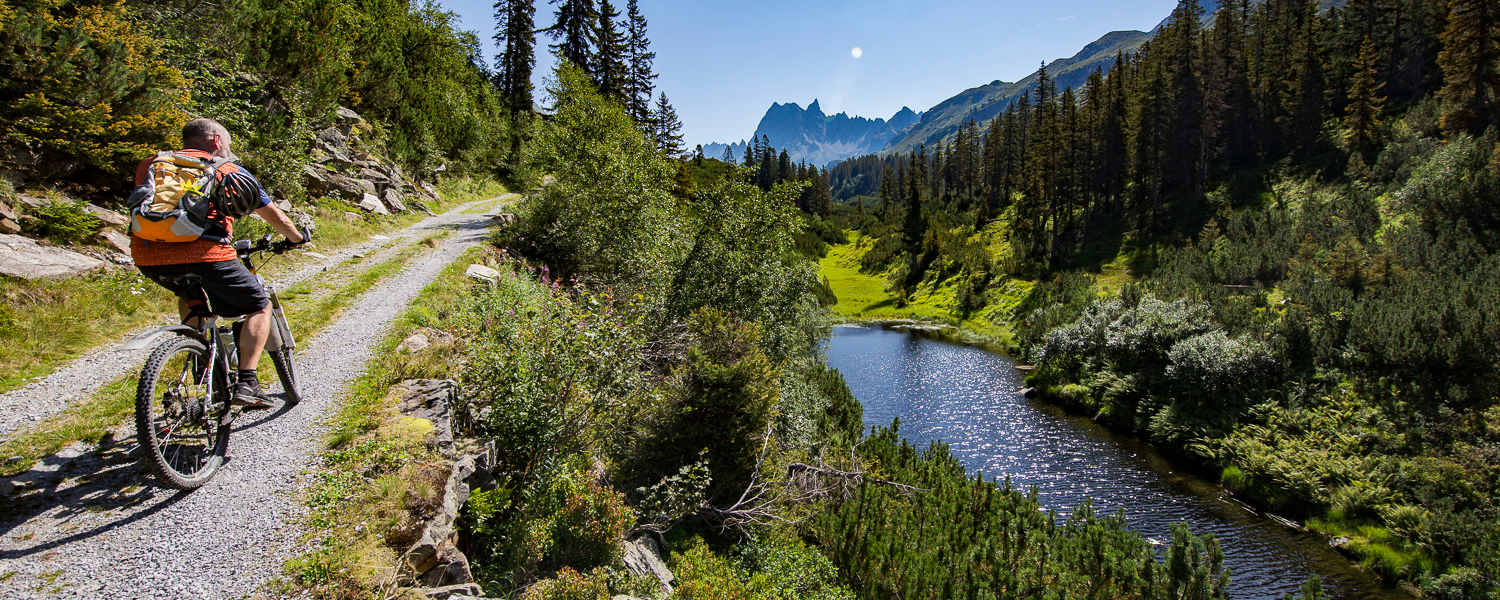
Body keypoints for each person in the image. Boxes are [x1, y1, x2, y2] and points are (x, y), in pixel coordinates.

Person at [130, 118, 307, 410]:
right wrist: (297, 238)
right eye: (227, 143)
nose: (228, 148)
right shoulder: (225, 168)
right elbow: (276, 216)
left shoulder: (152, 165)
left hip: (148, 256)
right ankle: (248, 382)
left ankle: (203, 359)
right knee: (258, 305)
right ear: (215, 141)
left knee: (190, 295)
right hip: (207, 254)